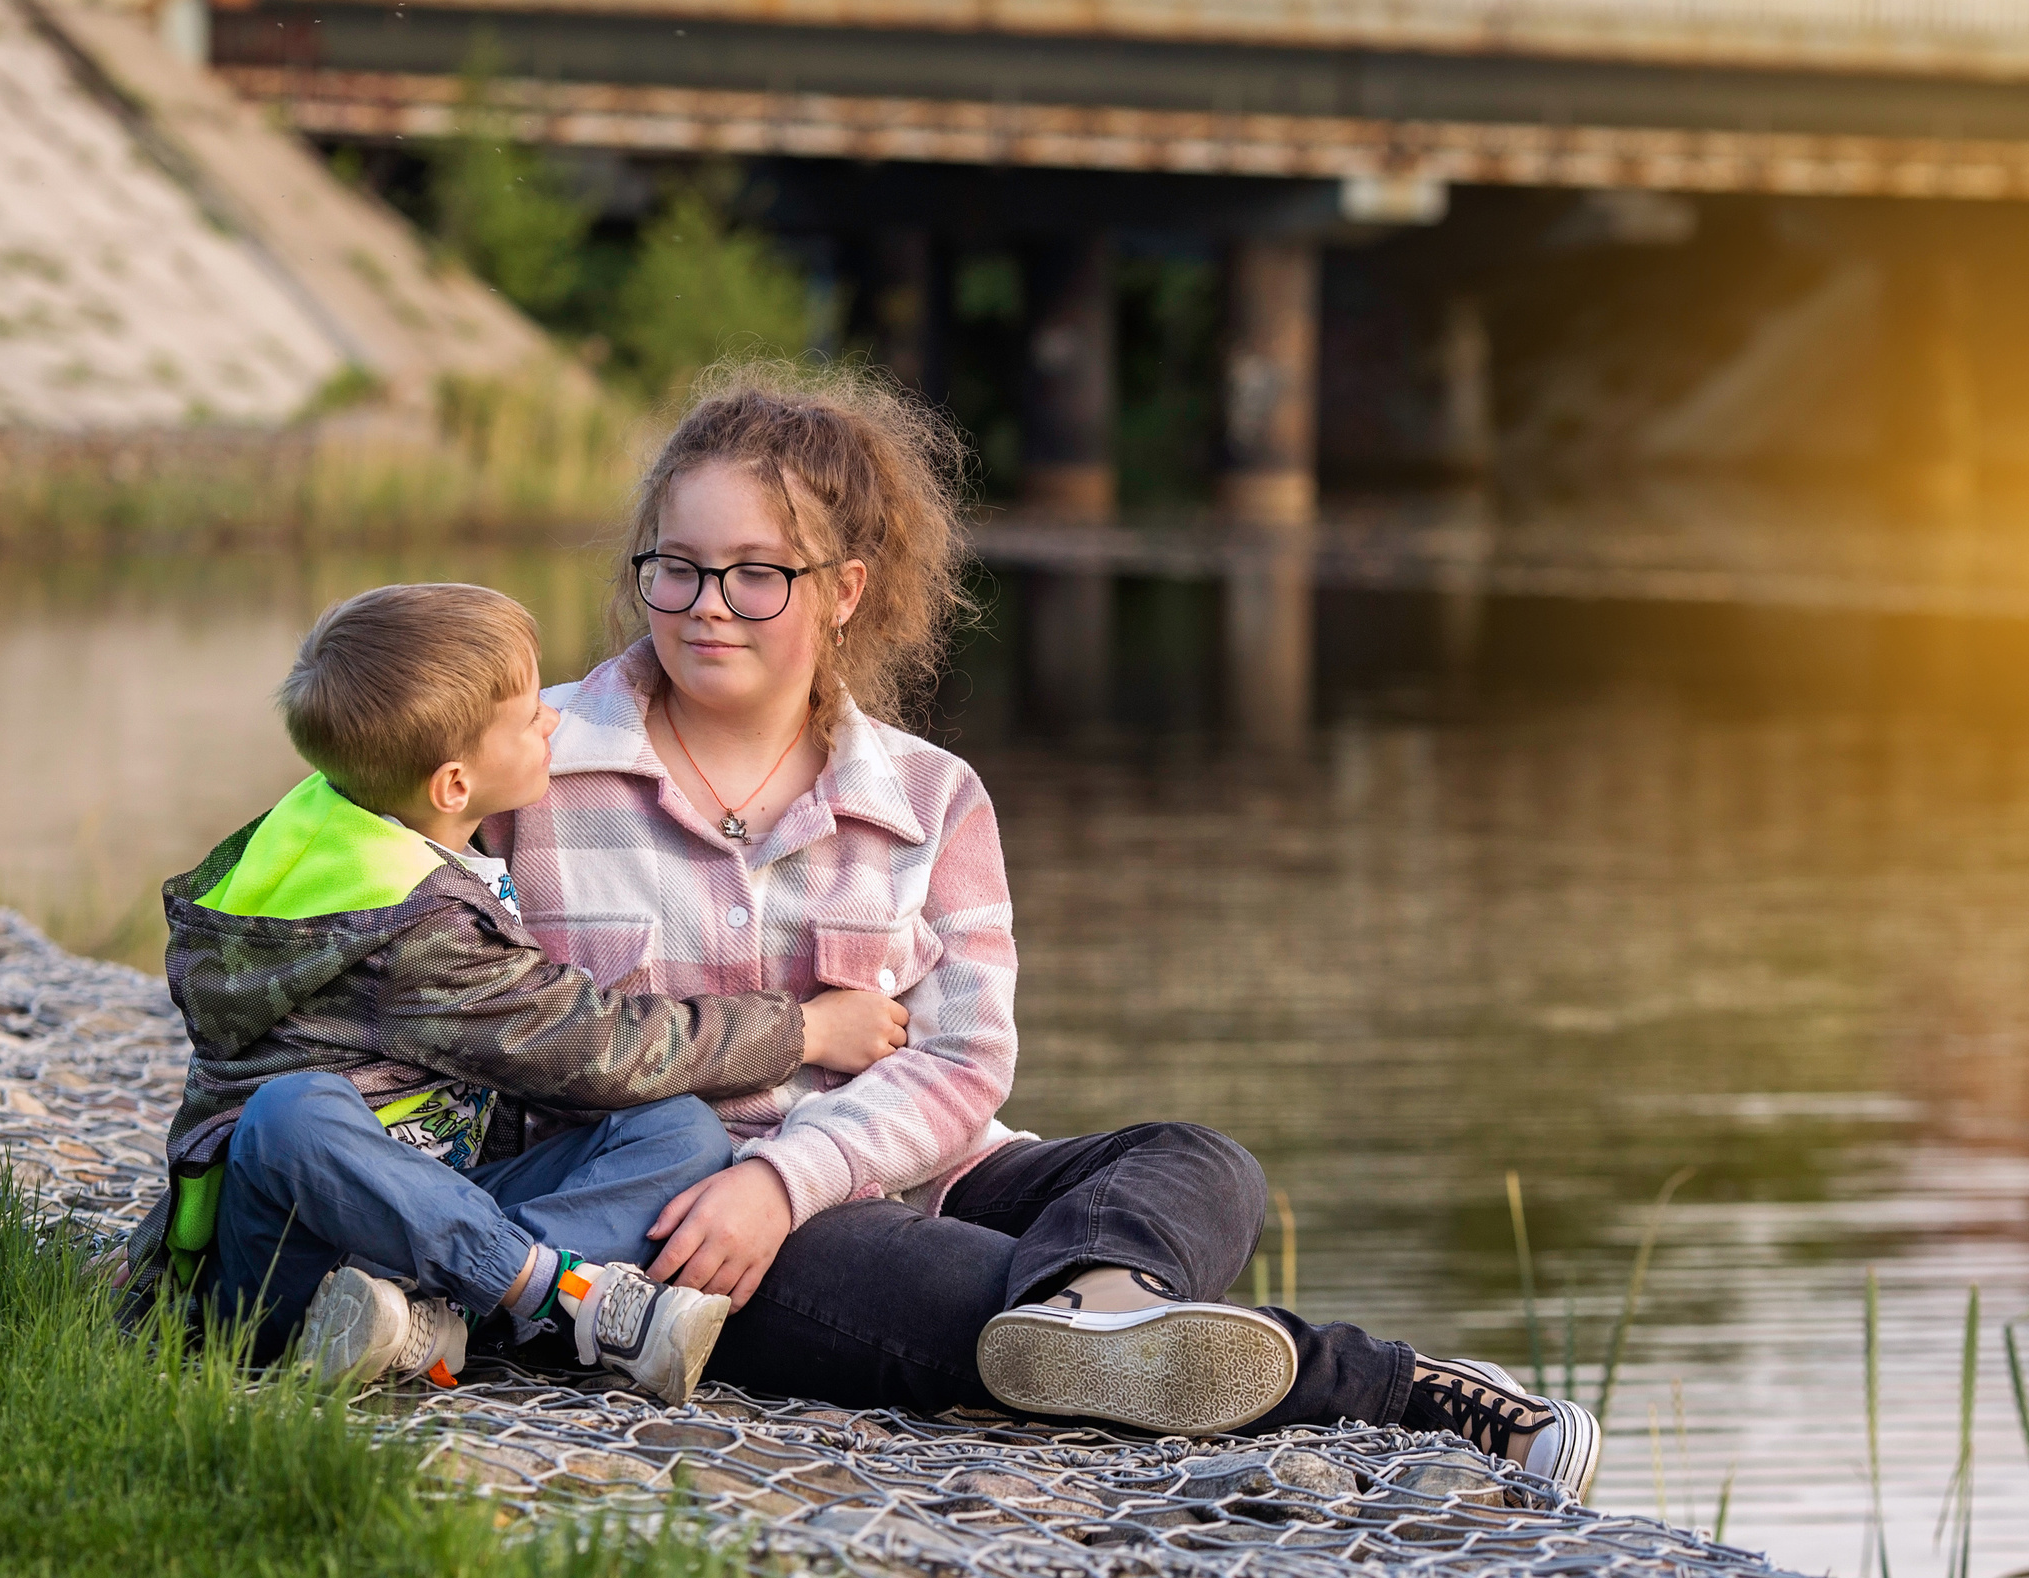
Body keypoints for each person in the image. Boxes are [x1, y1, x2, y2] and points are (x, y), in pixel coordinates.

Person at [484, 366, 1602, 1497]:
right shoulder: (531, 764)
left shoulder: (931, 797)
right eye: (676, 567)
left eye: (757, 573)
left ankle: (1094, 1308)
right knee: (964, 1291)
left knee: (1200, 1163)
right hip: (683, 1218)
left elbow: (966, 1060)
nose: (706, 604)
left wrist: (792, 1174)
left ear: (844, 591)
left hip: (911, 1175)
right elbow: (458, 993)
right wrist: (753, 1190)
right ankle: (1400, 1394)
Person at [120, 582, 912, 1407]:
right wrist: (801, 1031)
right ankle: (549, 1292)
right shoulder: (412, 925)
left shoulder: (359, 818)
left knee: (679, 1132)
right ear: (453, 785)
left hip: (437, 1218)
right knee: (290, 1114)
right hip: (287, 1261)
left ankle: (424, 1317)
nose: (554, 722)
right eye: (530, 715)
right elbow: (595, 1046)